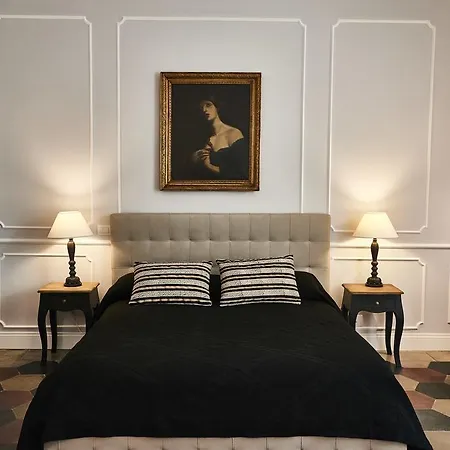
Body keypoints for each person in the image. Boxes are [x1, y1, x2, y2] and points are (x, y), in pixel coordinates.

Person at [192, 96, 248, 180]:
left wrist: (209, 166)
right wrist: (194, 159)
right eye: (201, 108)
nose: (204, 110)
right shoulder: (204, 139)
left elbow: (242, 173)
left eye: (208, 105)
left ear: (217, 108)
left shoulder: (233, 133)